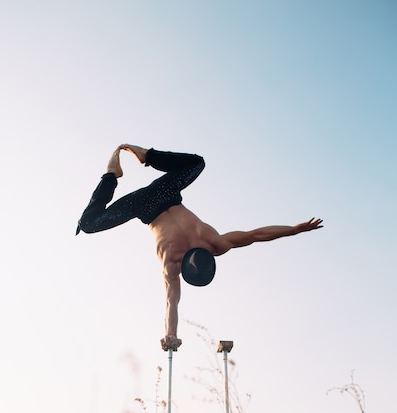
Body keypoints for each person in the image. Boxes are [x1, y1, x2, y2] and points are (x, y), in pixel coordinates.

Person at [76, 145, 323, 351]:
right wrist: (170, 335)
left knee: (196, 163)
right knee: (88, 225)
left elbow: (255, 235)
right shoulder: (175, 260)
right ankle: (112, 172)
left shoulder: (213, 242)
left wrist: (294, 230)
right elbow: (171, 301)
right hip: (145, 205)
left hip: (163, 193)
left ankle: (143, 158)